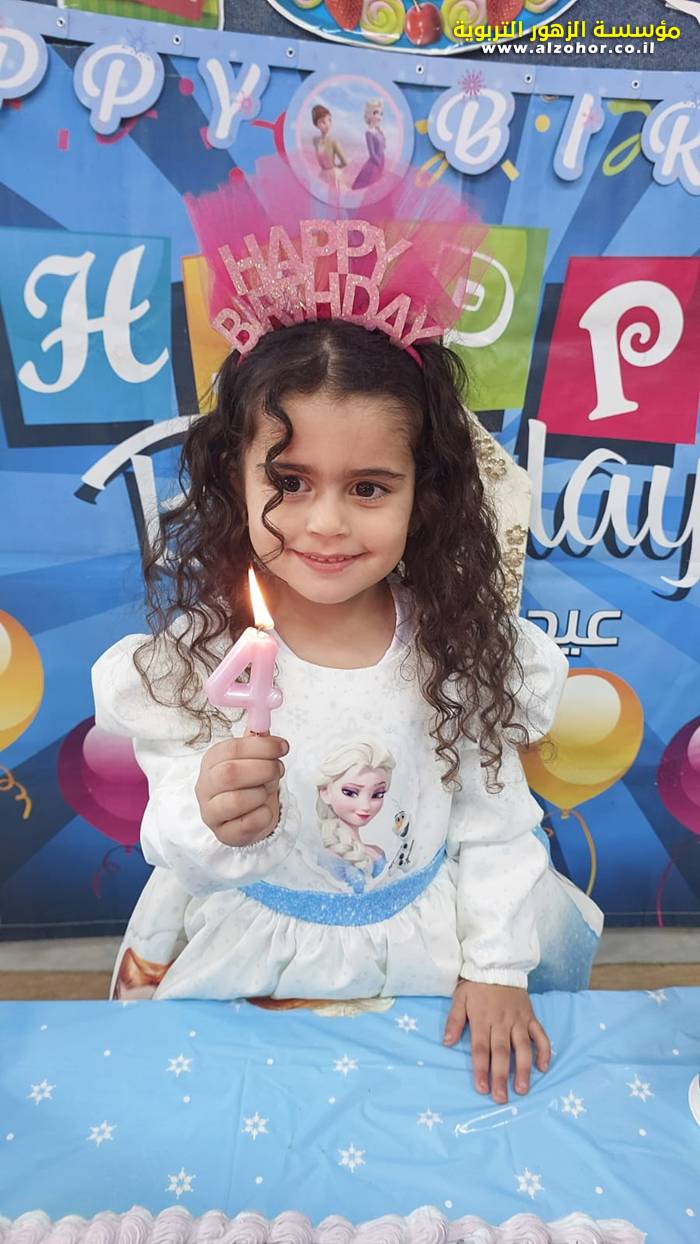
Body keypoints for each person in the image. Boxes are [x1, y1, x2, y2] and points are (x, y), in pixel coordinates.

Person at [92, 165, 603, 1106]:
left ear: (423, 495)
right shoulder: (197, 659)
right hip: (242, 955)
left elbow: (494, 821)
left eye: (368, 487)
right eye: (288, 481)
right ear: (235, 477)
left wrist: (496, 964)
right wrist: (209, 812)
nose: (325, 522)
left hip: (419, 961)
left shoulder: (455, 650)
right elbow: (172, 841)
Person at [310, 104, 348, 188]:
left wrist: (334, 169)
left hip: (332, 176)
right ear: (316, 125)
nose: (327, 124)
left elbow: (345, 162)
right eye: (322, 122)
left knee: (332, 193)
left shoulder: (333, 141)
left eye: (329, 120)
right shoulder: (315, 140)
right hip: (322, 175)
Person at [351, 99, 385, 190]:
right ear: (369, 115)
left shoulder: (379, 131)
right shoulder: (369, 133)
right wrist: (380, 165)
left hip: (381, 162)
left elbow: (382, 147)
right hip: (374, 165)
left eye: (381, 114)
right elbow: (372, 154)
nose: (379, 116)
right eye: (375, 113)